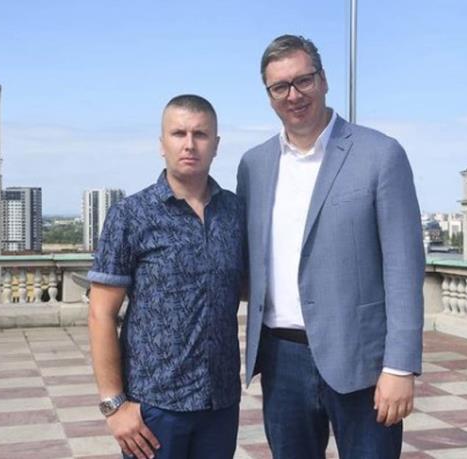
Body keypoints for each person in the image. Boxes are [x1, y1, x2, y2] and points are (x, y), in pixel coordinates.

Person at [236, 35, 425, 459]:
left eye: (303, 80)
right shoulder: (253, 165)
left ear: (323, 80)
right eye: (280, 87)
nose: (293, 95)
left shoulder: (381, 154)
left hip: (361, 360)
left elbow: (404, 268)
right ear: (268, 95)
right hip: (281, 359)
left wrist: (399, 366)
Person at [88, 94, 244, 459]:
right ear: (162, 144)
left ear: (216, 144)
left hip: (220, 402)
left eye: (200, 134)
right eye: (178, 134)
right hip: (154, 407)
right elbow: (100, 313)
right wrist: (114, 405)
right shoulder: (131, 215)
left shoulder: (235, 212)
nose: (189, 144)